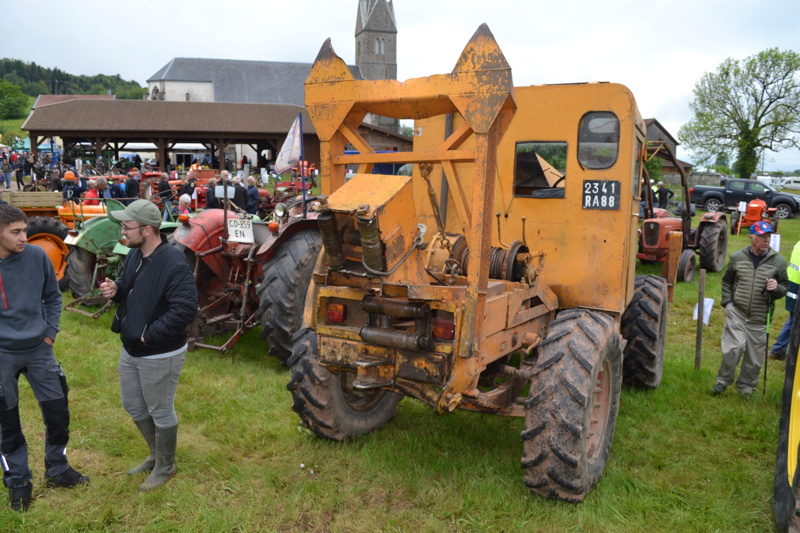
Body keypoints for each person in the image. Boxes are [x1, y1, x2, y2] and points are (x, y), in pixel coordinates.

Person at [99, 200, 198, 492]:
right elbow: (128, 286)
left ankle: (165, 466)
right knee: (132, 403)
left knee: (160, 409)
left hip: (158, 352)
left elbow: (185, 309)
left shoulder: (174, 263)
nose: (122, 232)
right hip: (131, 347)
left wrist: (149, 334)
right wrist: (115, 289)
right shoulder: (134, 254)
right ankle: (155, 455)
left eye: (126, 227)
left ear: (147, 229)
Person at [0, 204, 89, 511]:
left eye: (25, 230)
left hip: (39, 349)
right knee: (6, 420)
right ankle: (18, 481)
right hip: (2, 355)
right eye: (15, 232)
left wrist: (49, 333)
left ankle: (58, 469)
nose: (24, 237)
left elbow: (53, 297)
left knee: (57, 410)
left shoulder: (37, 256)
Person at [712, 220, 788, 397]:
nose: (766, 240)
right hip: (737, 312)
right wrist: (728, 303)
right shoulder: (737, 257)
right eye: (762, 236)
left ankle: (746, 387)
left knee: (754, 359)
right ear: (751, 237)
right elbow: (727, 281)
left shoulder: (778, 262)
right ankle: (722, 382)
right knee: (733, 349)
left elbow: (784, 287)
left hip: (760, 318)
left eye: (768, 236)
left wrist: (776, 287)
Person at [769, 240, 800, 361]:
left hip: (793, 283)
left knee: (794, 319)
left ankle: (779, 349)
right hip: (797, 286)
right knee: (794, 320)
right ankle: (778, 349)